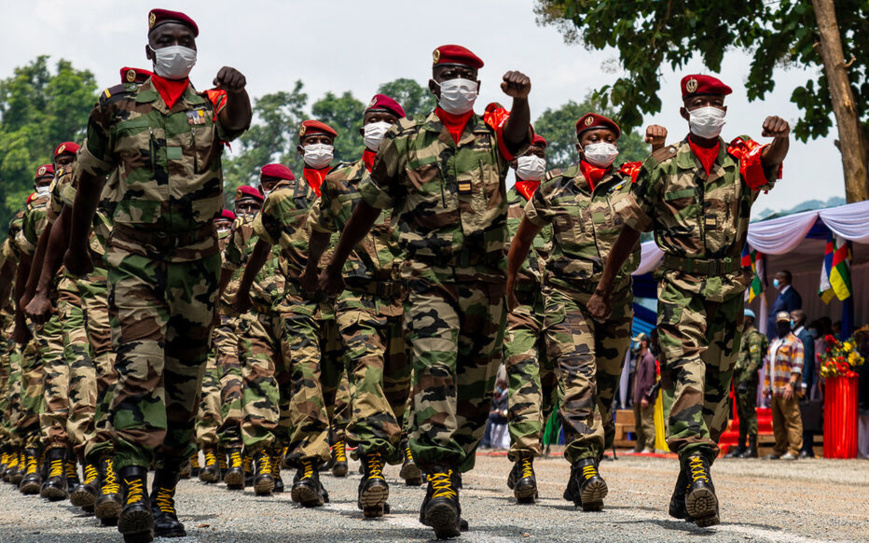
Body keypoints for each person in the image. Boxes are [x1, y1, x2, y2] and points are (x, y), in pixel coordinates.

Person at [320, 44, 532, 539]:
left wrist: (522, 100)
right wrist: (335, 259)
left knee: (476, 389)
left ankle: (452, 481)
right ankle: (438, 482)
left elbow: (519, 141)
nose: (459, 83)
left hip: (485, 281)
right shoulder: (406, 140)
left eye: (467, 76)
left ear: (478, 88)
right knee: (436, 374)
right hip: (428, 278)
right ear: (434, 84)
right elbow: (369, 205)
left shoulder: (492, 134)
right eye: (449, 75)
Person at [64, 8, 251, 541]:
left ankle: (165, 494)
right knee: (139, 367)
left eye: (185, 40)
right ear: (150, 52)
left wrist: (238, 91)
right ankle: (131, 490)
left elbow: (238, 124)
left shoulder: (211, 105)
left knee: (184, 384)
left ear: (197, 50)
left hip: (196, 263)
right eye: (166, 40)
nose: (177, 48)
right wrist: (77, 250)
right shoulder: (117, 105)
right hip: (136, 258)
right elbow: (89, 182)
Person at [587, 74, 789, 527]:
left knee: (718, 391)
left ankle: (687, 484)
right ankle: (699, 475)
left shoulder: (741, 159)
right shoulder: (662, 166)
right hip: (679, 287)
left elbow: (770, 162)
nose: (709, 109)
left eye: (716, 101)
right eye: (700, 102)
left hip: (729, 291)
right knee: (686, 373)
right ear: (684, 111)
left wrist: (783, 139)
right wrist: (603, 288)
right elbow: (630, 231)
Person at [507, 112, 665, 511]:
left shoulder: (631, 186)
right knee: (578, 378)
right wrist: (510, 281)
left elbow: (664, 187)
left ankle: (583, 468)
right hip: (566, 298)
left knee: (606, 391)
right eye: (592, 138)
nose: (600, 144)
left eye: (608, 138)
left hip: (617, 299)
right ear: (580, 147)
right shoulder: (555, 188)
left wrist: (659, 150)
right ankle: (586, 466)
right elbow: (523, 238)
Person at [302, 94, 417, 518]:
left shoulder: (417, 179)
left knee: (399, 390)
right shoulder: (338, 182)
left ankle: (391, 444)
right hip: (355, 296)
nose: (379, 125)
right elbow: (319, 229)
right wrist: (315, 268)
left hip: (407, 298)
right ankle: (372, 471)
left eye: (387, 119)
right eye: (372, 119)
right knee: (366, 377)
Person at [232, 120, 345, 508]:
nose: (318, 148)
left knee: (329, 387)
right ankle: (308, 470)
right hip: (294, 304)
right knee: (305, 378)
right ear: (300, 151)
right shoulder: (281, 199)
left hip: (342, 305)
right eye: (311, 142)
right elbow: (261, 248)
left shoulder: (349, 191)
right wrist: (242, 291)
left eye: (324, 142)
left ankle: (307, 458)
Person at [502, 133, 555, 505]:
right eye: (526, 152)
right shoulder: (495, 206)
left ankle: (524, 453)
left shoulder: (562, 201)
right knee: (524, 380)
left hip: (559, 305)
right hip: (517, 306)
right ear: (513, 159)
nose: (533, 157)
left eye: (539, 152)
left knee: (549, 387)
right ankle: (524, 464)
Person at [725, 309, 768, 458]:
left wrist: (745, 378)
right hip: (739, 378)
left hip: (746, 380)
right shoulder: (743, 336)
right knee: (741, 415)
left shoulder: (753, 336)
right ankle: (741, 446)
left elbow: (755, 360)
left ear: (749, 320)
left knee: (749, 413)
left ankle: (752, 448)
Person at [763, 311, 804, 460]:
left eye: (785, 323)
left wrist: (791, 385)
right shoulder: (774, 342)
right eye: (780, 323)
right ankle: (779, 449)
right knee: (777, 422)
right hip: (775, 388)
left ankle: (794, 450)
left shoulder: (795, 342)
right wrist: (766, 386)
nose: (782, 325)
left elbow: (797, 366)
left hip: (787, 388)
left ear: (790, 324)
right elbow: (769, 367)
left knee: (792, 419)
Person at [790, 309, 817, 458]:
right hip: (795, 381)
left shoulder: (805, 336)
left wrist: (805, 384)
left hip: (803, 382)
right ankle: (798, 445)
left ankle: (807, 447)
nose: (790, 320)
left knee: (806, 414)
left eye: (792, 317)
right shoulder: (793, 336)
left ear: (799, 319)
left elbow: (807, 362)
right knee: (797, 414)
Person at [632, 333, 657, 454]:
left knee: (647, 423)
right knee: (638, 425)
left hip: (644, 397)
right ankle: (639, 446)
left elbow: (650, 380)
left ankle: (649, 446)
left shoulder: (649, 358)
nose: (635, 344)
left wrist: (646, 396)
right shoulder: (638, 357)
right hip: (636, 397)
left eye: (637, 342)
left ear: (644, 343)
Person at [767, 270, 801, 339]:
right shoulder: (782, 294)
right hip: (773, 334)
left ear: (785, 280)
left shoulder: (792, 295)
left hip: (781, 336)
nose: (775, 281)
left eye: (777, 278)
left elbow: (792, 317)